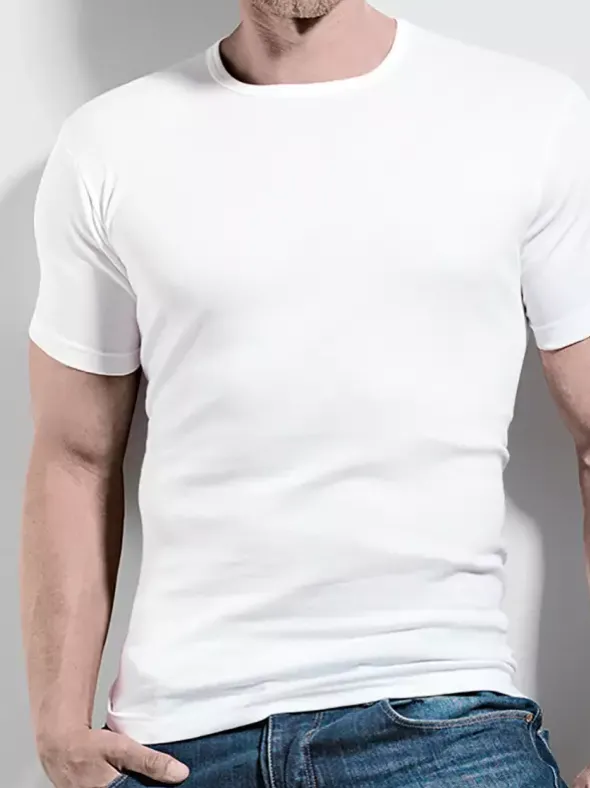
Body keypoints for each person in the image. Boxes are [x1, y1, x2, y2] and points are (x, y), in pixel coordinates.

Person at [20, 0, 590, 785]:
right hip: (177, 743)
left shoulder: (529, 117)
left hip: (441, 718)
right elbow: (74, 455)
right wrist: (56, 727)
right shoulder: (108, 144)